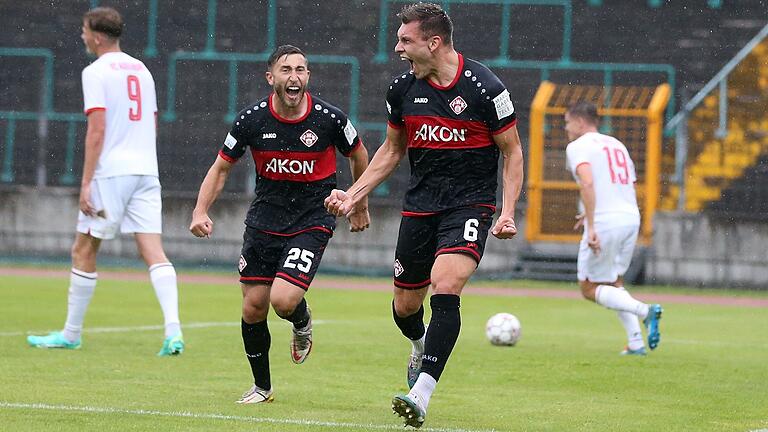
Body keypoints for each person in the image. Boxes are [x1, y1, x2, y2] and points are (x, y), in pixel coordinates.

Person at [325, 3, 523, 428]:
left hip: (470, 205)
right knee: (404, 306)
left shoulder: (487, 89)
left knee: (446, 284)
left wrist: (506, 212)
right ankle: (418, 345)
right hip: (420, 206)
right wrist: (353, 194)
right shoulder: (401, 90)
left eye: (405, 40)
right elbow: (392, 150)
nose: (397, 48)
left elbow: (512, 152)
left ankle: (422, 394)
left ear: (433, 42)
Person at [189, 45, 370, 404]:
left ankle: (301, 321)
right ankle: (262, 388)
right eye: (286, 70)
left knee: (283, 300)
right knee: (253, 306)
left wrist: (358, 202)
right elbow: (221, 167)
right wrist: (200, 210)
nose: (295, 77)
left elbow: (359, 154)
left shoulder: (329, 119)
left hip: (312, 219)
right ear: (271, 78)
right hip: (264, 220)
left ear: (308, 77)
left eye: (301, 70)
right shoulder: (251, 120)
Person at [26, 7, 184, 356]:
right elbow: (152, 122)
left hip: (112, 172)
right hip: (146, 169)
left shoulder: (95, 71)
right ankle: (174, 331)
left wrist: (86, 184)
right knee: (153, 251)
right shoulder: (141, 69)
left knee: (83, 249)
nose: (82, 36)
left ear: (96, 35)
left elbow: (96, 129)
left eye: (84, 31)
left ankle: (70, 334)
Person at [564, 101, 663, 356]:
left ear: (580, 122)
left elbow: (587, 182)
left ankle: (645, 311)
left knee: (588, 287)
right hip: (629, 217)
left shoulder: (578, 147)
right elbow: (624, 183)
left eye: (567, 123)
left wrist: (593, 223)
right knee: (613, 281)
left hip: (606, 221)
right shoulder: (617, 144)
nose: (566, 129)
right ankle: (636, 343)